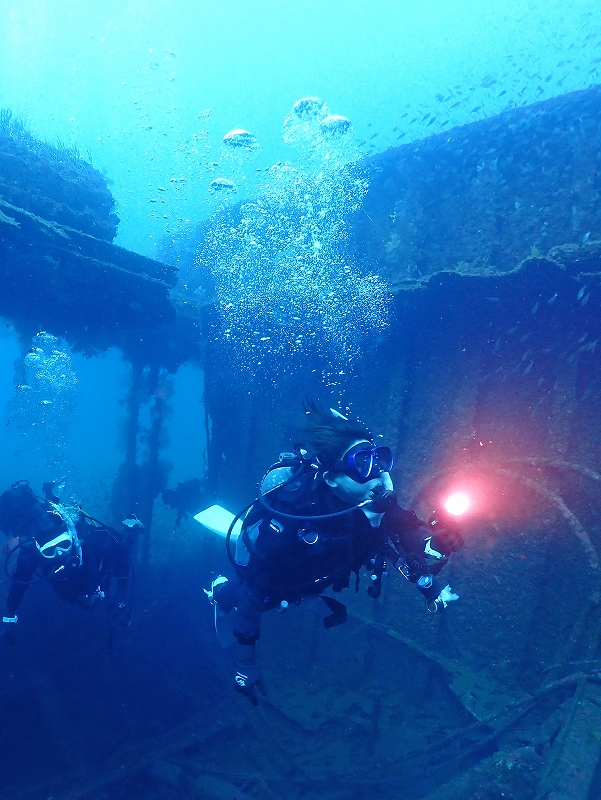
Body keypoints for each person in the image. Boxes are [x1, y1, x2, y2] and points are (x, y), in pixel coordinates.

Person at [205, 403, 463, 705]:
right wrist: (245, 662)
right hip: (286, 580)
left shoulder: (371, 502)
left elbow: (404, 529)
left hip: (329, 572)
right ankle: (217, 590)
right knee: (260, 599)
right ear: (330, 479)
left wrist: (434, 544)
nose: (377, 475)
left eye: (379, 460)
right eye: (362, 464)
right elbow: (252, 592)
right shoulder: (294, 519)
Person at [0, 480, 143, 646]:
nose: (59, 554)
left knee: (120, 545)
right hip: (72, 591)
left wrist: (121, 592)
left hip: (96, 575)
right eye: (49, 551)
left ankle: (132, 529)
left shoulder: (91, 537)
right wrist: (9, 618)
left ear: (74, 539)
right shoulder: (31, 554)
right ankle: (49, 494)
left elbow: (122, 553)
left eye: (64, 544)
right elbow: (19, 585)